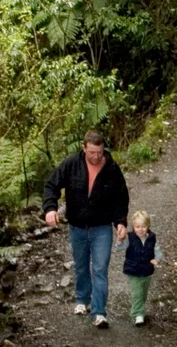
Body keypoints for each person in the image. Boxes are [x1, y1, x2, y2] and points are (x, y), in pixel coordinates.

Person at [43, 130, 129, 328]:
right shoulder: (72, 164)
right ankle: (82, 300)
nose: (95, 156)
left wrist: (121, 222)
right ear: (84, 148)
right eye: (91, 152)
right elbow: (51, 185)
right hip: (77, 227)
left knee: (99, 269)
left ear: (103, 150)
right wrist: (50, 208)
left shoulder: (111, 169)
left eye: (99, 152)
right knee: (81, 266)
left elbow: (121, 198)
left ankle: (99, 312)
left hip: (102, 228)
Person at [122, 210, 162, 326]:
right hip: (133, 270)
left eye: (143, 226)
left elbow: (158, 250)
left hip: (147, 270)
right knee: (137, 292)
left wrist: (157, 259)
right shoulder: (130, 238)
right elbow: (120, 247)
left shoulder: (152, 238)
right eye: (137, 226)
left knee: (143, 293)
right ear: (133, 227)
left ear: (148, 226)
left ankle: (139, 308)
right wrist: (120, 240)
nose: (140, 229)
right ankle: (138, 314)